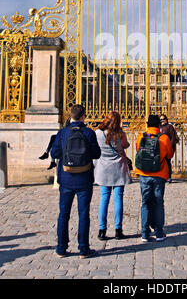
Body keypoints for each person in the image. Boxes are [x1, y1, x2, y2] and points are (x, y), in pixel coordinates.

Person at [50, 104, 101, 259]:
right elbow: (96, 154)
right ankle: (84, 249)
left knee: (63, 214)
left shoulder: (63, 133)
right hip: (84, 178)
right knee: (83, 214)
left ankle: (61, 248)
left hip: (66, 178)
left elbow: (55, 152)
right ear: (83, 116)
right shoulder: (89, 132)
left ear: (70, 116)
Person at [135, 115, 174, 242]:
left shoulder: (141, 136)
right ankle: (158, 233)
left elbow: (138, 150)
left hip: (144, 173)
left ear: (147, 124)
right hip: (159, 174)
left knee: (145, 203)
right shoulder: (163, 138)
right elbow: (170, 154)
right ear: (159, 125)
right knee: (158, 202)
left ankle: (145, 233)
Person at [94, 112, 132, 241]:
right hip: (118, 169)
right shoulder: (120, 134)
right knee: (118, 199)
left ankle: (102, 230)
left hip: (103, 169)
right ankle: (118, 230)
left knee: (104, 199)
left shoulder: (98, 133)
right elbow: (126, 145)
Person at [159, 114, 179, 183]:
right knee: (161, 162)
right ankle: (162, 176)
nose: (162, 120)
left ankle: (169, 177)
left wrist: (169, 147)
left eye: (163, 119)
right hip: (161, 148)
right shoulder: (159, 127)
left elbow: (173, 138)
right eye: (160, 119)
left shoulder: (170, 127)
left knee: (167, 162)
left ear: (166, 119)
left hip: (168, 148)